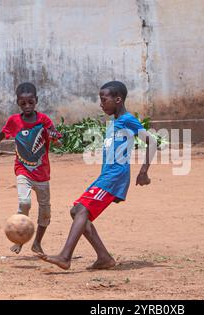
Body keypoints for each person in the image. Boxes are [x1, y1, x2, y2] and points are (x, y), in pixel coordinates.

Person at [38, 81, 156, 270]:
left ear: (118, 100)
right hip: (107, 175)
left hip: (115, 177)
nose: (101, 104)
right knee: (76, 211)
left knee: (82, 209)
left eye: (104, 99)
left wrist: (143, 172)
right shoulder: (114, 122)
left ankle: (65, 257)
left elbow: (152, 142)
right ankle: (104, 257)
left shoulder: (127, 119)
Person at [0, 82, 62, 255]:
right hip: (23, 170)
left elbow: (57, 140)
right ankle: (19, 238)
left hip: (42, 174)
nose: (27, 106)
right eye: (23, 103)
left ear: (36, 100)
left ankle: (37, 243)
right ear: (18, 103)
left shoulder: (44, 120)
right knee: (24, 202)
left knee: (45, 211)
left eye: (31, 102)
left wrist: (55, 138)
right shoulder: (14, 121)